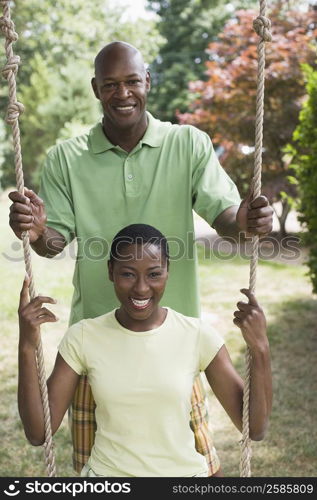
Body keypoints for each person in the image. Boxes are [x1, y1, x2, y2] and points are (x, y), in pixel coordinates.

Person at [9, 41, 274, 476]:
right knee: (102, 470)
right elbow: (52, 242)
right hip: (95, 345)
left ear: (147, 82)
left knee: (187, 464)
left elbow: (226, 217)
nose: (123, 93)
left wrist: (244, 218)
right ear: (96, 89)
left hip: (175, 344)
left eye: (132, 81)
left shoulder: (187, 143)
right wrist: (38, 232)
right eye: (110, 84)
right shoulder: (65, 158)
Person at [18, 224, 272, 478]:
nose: (141, 288)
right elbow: (39, 432)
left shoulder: (197, 335)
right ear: (111, 272)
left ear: (167, 273)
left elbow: (255, 428)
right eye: (128, 274)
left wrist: (260, 347)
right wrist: (27, 346)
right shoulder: (83, 337)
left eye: (154, 274)